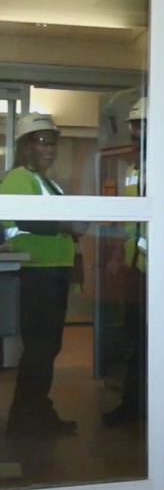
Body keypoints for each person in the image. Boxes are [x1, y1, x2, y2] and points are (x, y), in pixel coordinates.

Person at [1, 112, 78, 437]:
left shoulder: (47, 182)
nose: (50, 149)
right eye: (42, 142)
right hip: (35, 273)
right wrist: (62, 226)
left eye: (53, 142)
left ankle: (33, 412)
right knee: (41, 348)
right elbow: (10, 218)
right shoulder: (20, 178)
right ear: (26, 146)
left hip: (52, 271)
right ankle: (27, 417)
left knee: (46, 348)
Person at [102, 97, 147, 426]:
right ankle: (134, 404)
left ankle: (142, 406)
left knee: (148, 342)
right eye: (133, 131)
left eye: (141, 130)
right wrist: (118, 254)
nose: (135, 138)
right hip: (137, 271)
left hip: (161, 272)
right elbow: (130, 221)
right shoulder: (133, 171)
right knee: (135, 338)